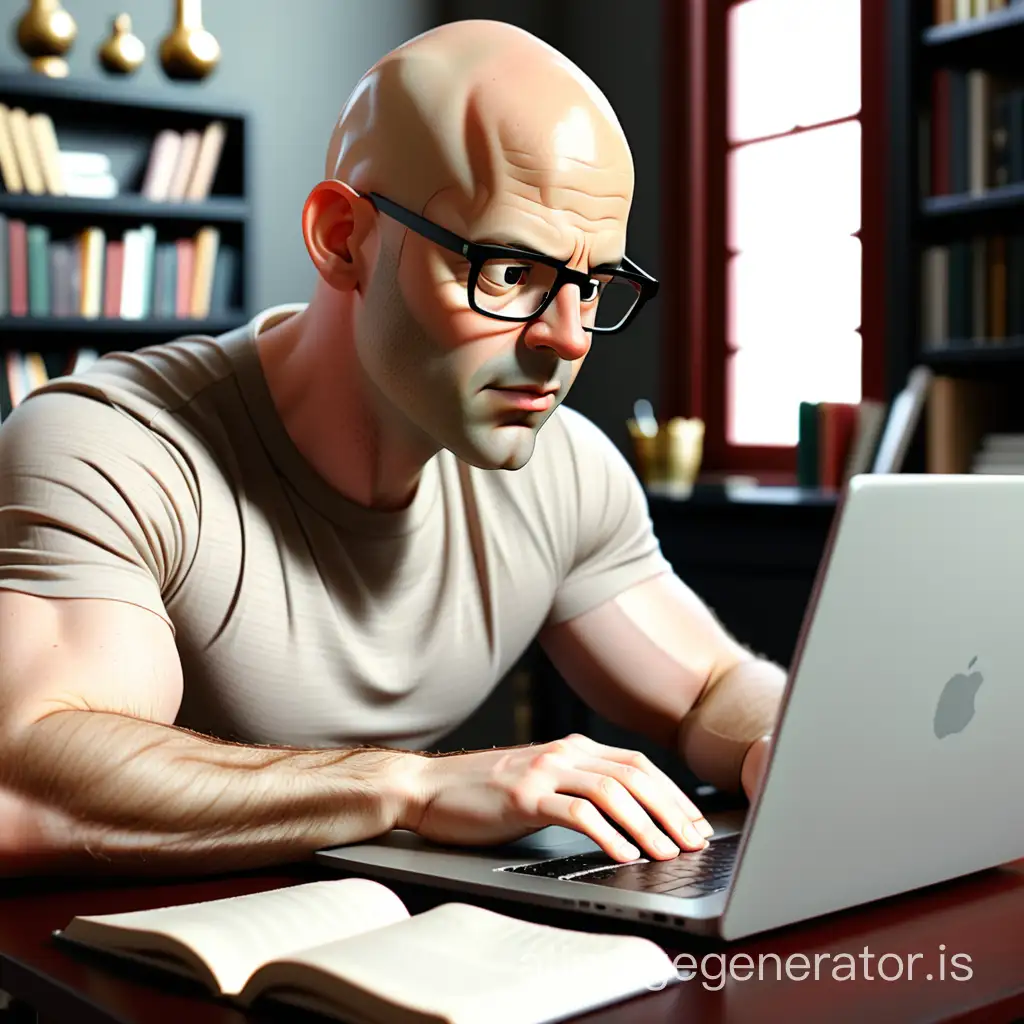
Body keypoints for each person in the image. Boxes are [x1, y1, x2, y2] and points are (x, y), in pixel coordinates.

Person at [0, 20, 785, 878]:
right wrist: (409, 790)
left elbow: (712, 687)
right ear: (344, 240)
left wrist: (783, 741)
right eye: (511, 272)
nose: (569, 340)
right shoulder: (116, 447)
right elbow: (28, 775)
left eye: (591, 285)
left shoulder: (567, 468)